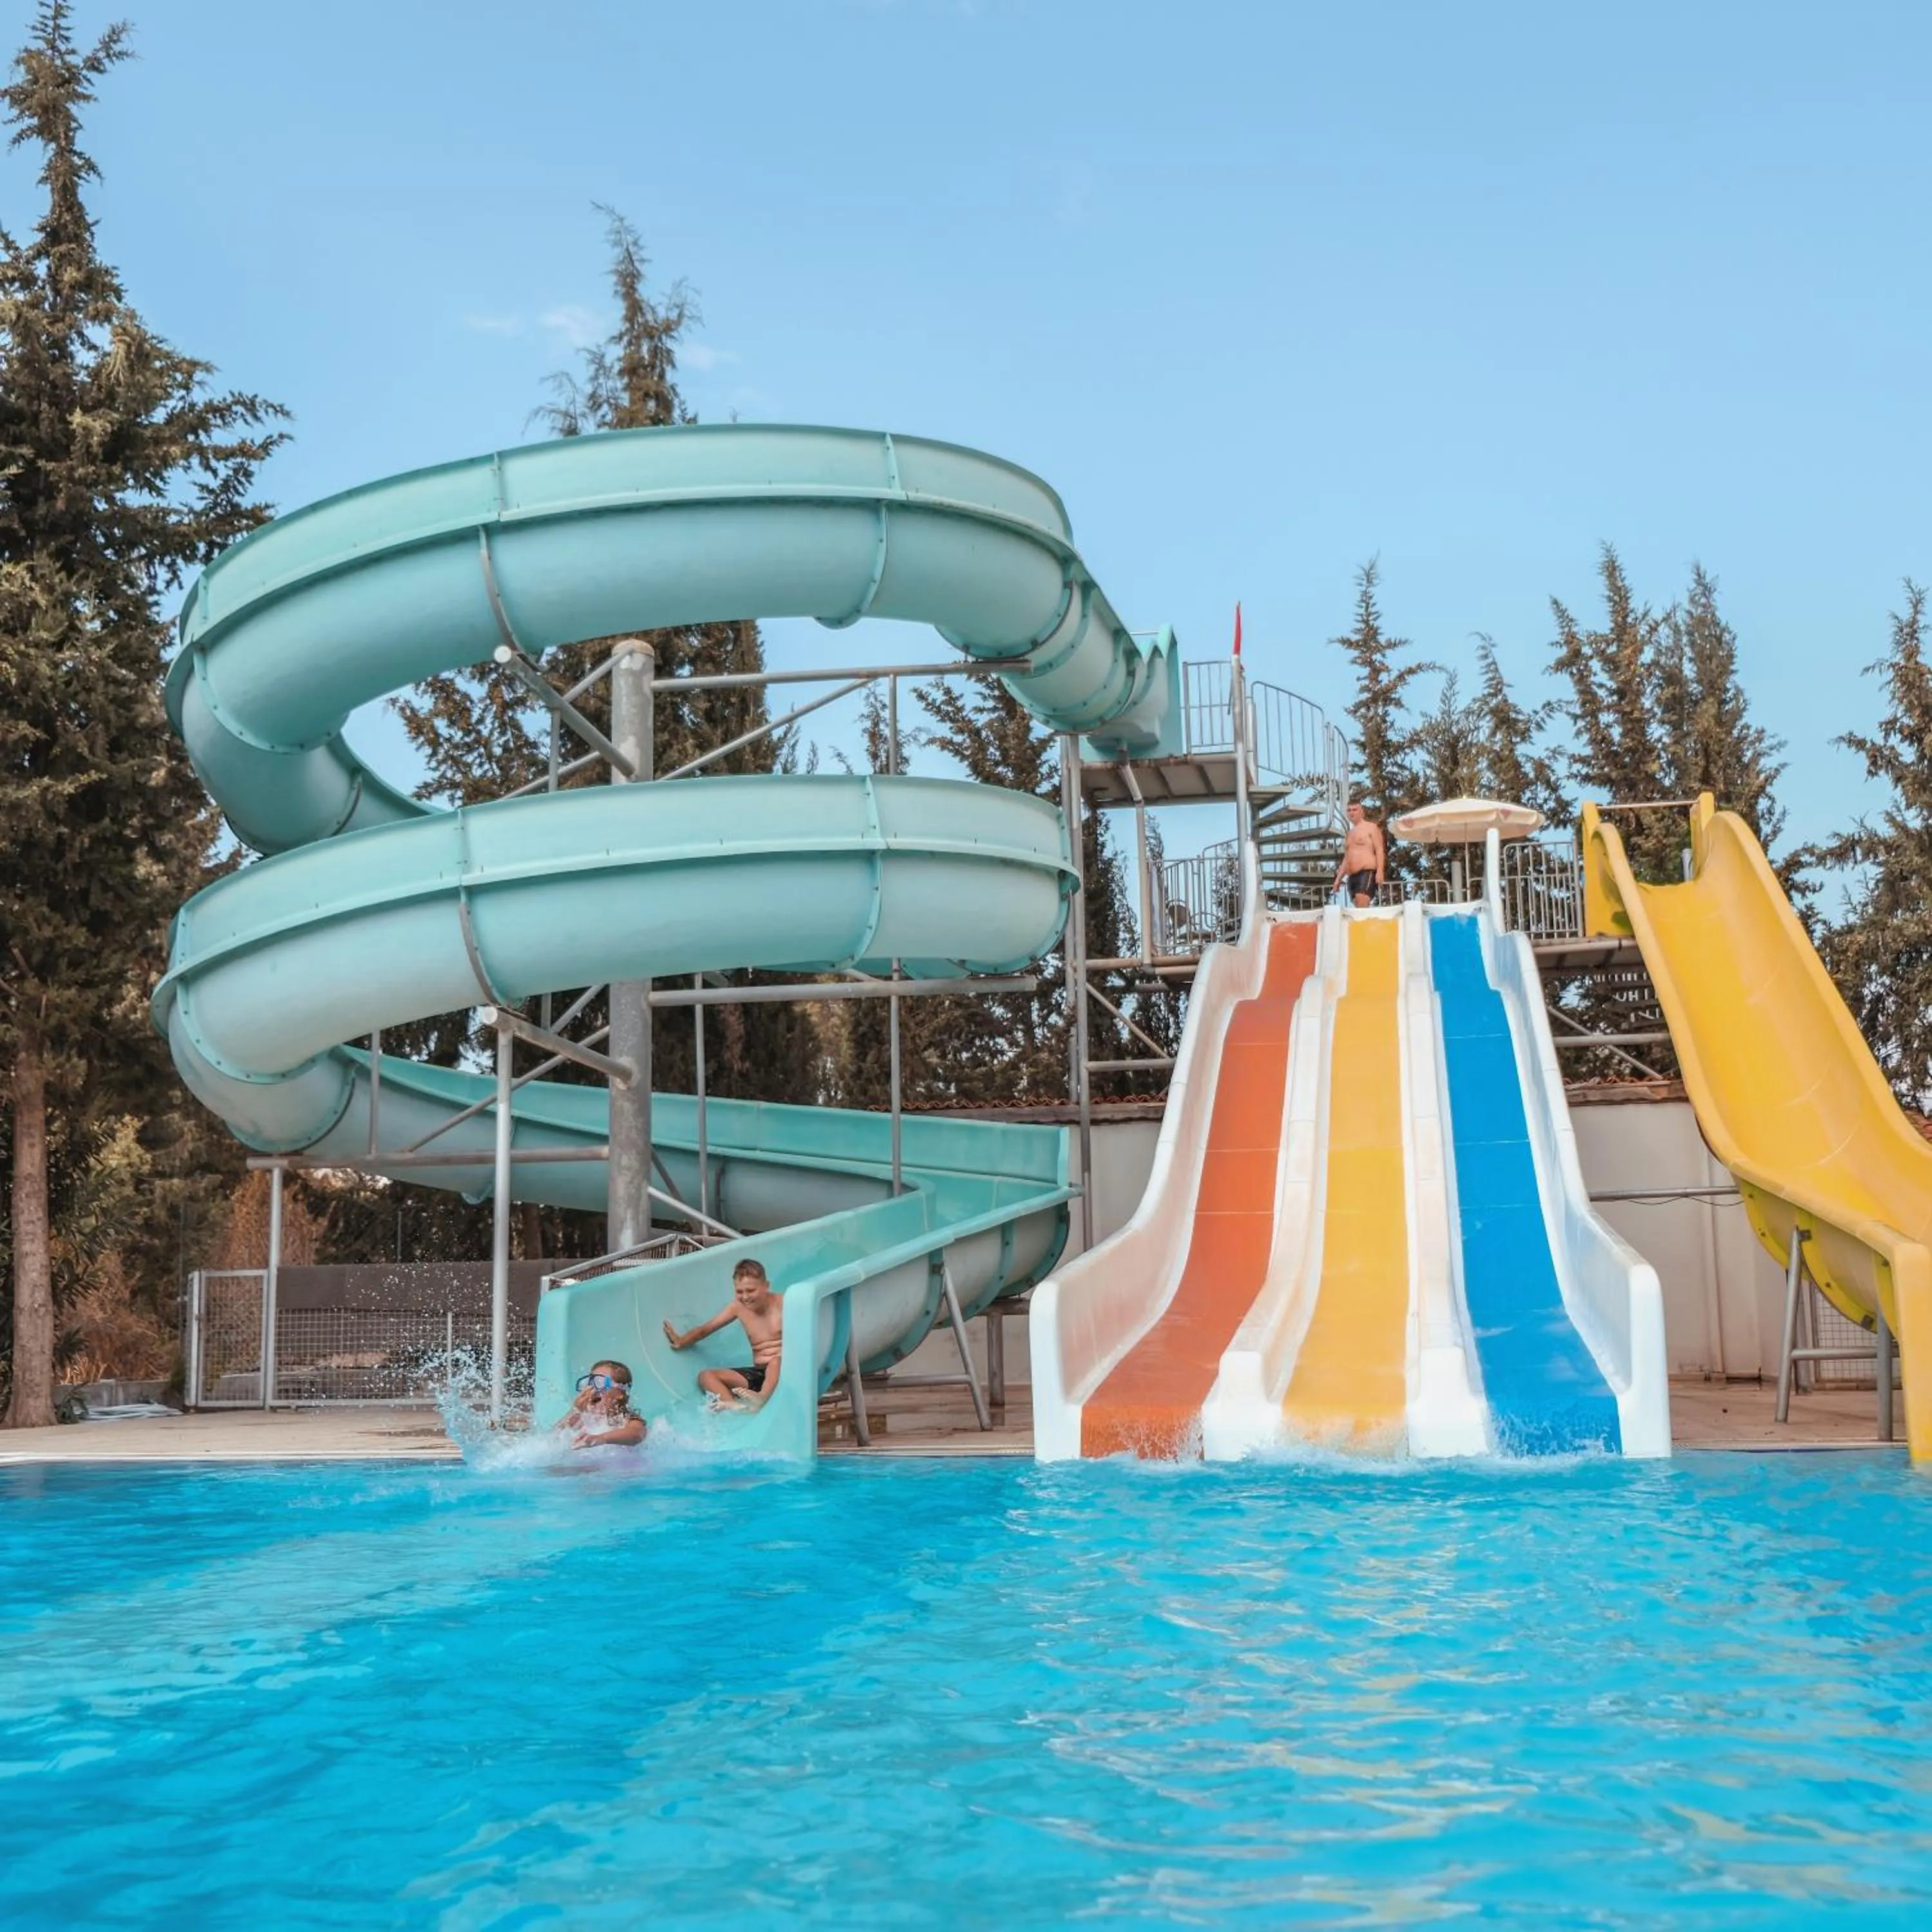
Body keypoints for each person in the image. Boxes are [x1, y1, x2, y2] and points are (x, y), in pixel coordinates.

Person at [663, 1258, 783, 1410]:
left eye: (751, 1291)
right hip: (760, 1375)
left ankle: (762, 1398)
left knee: (775, 1362)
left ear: (766, 1286)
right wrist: (682, 1341)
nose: (745, 1297)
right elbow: (707, 1329)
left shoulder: (784, 1303)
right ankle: (738, 1408)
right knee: (706, 1376)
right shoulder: (738, 1307)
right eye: (739, 1292)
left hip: (784, 1372)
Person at [558, 1359, 646, 1450]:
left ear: (620, 1393)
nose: (592, 1390)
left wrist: (601, 1438)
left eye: (600, 1382)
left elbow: (636, 1435)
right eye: (590, 1383)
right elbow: (553, 1439)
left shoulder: (629, 1421)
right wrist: (576, 1411)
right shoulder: (584, 1421)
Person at [1333, 800, 1387, 909]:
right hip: (1351, 877)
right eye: (1349, 810)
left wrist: (1380, 871)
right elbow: (1346, 858)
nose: (1352, 813)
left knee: (1362, 902)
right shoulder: (1349, 834)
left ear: (1362, 812)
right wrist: (1338, 879)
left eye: (1355, 810)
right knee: (1358, 909)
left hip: (1366, 872)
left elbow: (1379, 850)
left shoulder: (1371, 828)